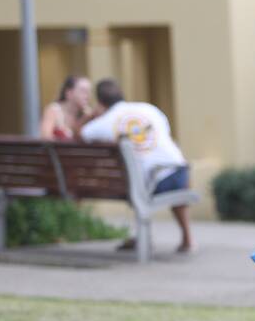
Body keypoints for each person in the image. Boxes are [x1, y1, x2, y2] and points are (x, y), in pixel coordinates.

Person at [80, 78, 193, 252]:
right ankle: (186, 237)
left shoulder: (105, 121)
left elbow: (83, 134)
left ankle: (144, 237)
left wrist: (92, 116)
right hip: (180, 172)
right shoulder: (148, 109)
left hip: (147, 184)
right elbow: (165, 130)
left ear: (100, 102)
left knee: (134, 180)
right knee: (154, 176)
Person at [39, 75, 93, 141]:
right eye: (83, 91)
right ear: (69, 93)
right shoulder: (54, 110)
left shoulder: (87, 113)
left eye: (89, 92)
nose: (88, 96)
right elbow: (45, 137)